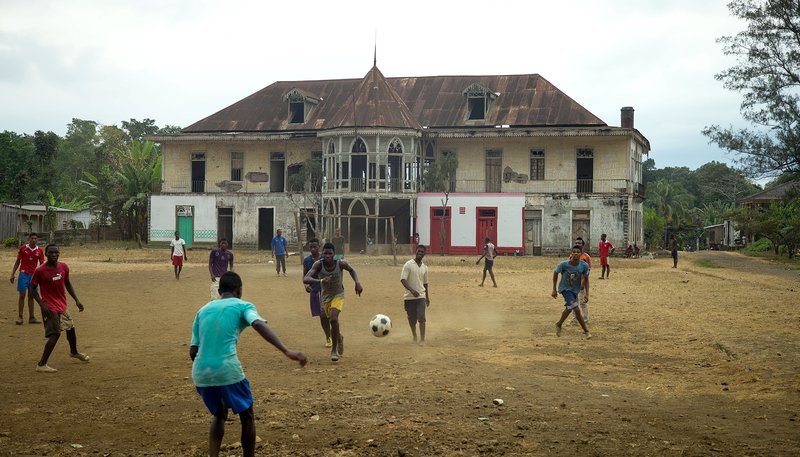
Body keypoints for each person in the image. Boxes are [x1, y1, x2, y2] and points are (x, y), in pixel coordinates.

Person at [190, 271, 307, 457]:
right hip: (227, 369)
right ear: (239, 290)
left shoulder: (202, 310)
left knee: (219, 414)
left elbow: (193, 351)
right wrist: (287, 351)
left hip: (201, 373)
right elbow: (258, 324)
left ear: (219, 291)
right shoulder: (243, 305)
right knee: (247, 415)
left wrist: (208, 370)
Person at [29, 244, 90, 372]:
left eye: (56, 252)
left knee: (70, 328)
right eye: (51, 252)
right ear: (45, 254)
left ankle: (74, 352)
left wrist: (77, 300)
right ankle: (41, 364)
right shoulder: (40, 271)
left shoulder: (63, 267)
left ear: (59, 253)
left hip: (62, 305)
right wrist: (42, 305)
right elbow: (32, 288)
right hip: (49, 306)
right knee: (55, 333)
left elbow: (67, 283)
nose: (54, 255)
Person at [303, 242, 363, 362]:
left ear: (334, 254)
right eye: (325, 253)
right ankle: (339, 337)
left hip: (338, 294)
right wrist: (320, 281)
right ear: (322, 254)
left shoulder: (340, 263)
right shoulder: (318, 265)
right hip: (325, 297)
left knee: (333, 319)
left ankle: (334, 350)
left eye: (330, 253)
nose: (328, 256)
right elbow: (306, 278)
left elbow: (352, 270)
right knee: (331, 321)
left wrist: (357, 282)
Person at [552, 245, 592, 339]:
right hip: (565, 289)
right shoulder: (564, 264)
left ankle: (559, 324)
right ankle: (586, 331)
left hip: (575, 290)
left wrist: (587, 294)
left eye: (578, 252)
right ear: (571, 253)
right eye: (574, 252)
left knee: (569, 308)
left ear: (580, 254)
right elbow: (555, 273)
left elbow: (586, 279)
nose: (575, 254)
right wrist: (554, 289)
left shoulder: (584, 265)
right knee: (576, 309)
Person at [302, 238, 332, 348]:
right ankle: (328, 336)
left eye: (315, 246)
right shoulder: (307, 261)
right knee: (322, 316)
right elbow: (305, 275)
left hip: (326, 290)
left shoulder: (325, 258)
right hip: (315, 291)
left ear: (319, 246)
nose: (313, 249)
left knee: (328, 315)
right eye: (311, 247)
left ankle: (333, 333)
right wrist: (306, 286)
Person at [10, 233, 44, 325]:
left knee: (31, 296)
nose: (34, 240)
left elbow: (42, 264)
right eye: (32, 238)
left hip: (33, 275)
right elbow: (18, 261)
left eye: (35, 238)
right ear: (29, 239)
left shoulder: (40, 250)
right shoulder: (23, 248)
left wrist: (43, 277)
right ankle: (20, 317)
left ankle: (32, 317)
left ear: (37, 240)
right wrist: (12, 274)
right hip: (23, 274)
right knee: (22, 295)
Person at [400, 245, 430, 343]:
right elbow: (403, 280)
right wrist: (412, 291)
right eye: (419, 251)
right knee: (412, 319)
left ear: (424, 254)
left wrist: (427, 297)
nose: (420, 253)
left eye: (422, 252)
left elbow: (425, 283)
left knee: (421, 317)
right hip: (409, 297)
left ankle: (422, 340)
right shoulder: (408, 265)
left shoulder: (425, 267)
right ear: (415, 251)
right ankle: (414, 335)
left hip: (421, 296)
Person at [571, 237, 592, 325]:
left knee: (583, 301)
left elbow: (588, 271)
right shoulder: (572, 256)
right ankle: (575, 319)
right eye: (576, 243)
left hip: (582, 283)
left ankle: (585, 320)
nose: (577, 244)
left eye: (579, 243)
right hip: (573, 283)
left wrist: (583, 283)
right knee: (573, 302)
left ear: (583, 245)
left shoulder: (586, 257)